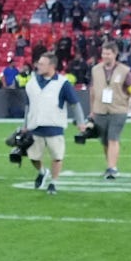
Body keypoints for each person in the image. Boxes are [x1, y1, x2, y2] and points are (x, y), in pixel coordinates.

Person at [23, 51, 85, 195]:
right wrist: (25, 124)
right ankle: (42, 172)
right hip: (35, 125)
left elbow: (75, 104)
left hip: (54, 125)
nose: (38, 66)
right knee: (33, 157)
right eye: (38, 63)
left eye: (42, 64)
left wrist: (81, 122)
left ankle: (53, 182)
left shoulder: (63, 83)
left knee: (57, 157)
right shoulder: (32, 82)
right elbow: (28, 105)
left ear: (51, 66)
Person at [89, 40, 131, 179]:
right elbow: (92, 91)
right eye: (103, 53)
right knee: (104, 141)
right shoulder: (95, 70)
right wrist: (92, 109)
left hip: (119, 109)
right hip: (100, 109)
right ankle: (110, 165)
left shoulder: (124, 71)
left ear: (115, 54)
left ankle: (112, 168)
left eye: (108, 53)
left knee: (113, 138)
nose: (105, 56)